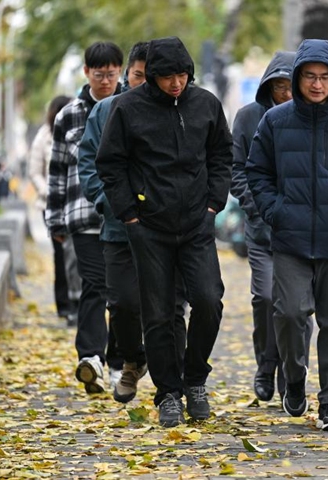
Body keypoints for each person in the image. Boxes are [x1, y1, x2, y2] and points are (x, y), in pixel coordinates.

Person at [96, 36, 232, 427]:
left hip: (197, 224)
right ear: (152, 76)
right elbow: (111, 164)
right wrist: (130, 216)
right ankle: (168, 393)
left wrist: (212, 205)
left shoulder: (206, 104)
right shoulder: (127, 108)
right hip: (148, 227)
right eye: (168, 76)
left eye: (182, 75)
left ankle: (194, 380)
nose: (176, 83)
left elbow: (222, 154)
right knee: (156, 315)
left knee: (209, 301)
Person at [246, 39, 328, 432]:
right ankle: (294, 379)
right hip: (291, 239)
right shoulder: (276, 121)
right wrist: (275, 211)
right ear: (297, 79)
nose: (317, 84)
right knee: (290, 313)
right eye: (310, 76)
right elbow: (256, 171)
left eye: (324, 76)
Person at [78, 41, 188, 404]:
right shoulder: (109, 110)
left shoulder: (179, 110)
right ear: (128, 75)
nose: (144, 83)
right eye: (138, 75)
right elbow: (91, 164)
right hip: (119, 228)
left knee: (170, 307)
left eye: (151, 76)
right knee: (123, 303)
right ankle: (133, 359)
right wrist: (111, 203)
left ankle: (173, 382)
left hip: (167, 230)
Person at [230, 51, 314, 404]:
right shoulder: (249, 118)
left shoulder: (311, 118)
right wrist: (259, 207)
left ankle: (291, 376)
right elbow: (237, 170)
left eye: (288, 86)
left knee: (297, 309)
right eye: (278, 86)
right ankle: (266, 363)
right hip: (263, 231)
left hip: (302, 234)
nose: (284, 93)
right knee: (266, 299)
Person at [45, 41, 125, 394]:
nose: (105, 81)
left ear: (119, 72)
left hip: (124, 217)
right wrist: (56, 219)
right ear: (86, 73)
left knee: (122, 293)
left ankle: (120, 360)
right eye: (99, 74)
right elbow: (58, 169)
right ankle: (91, 357)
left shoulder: (130, 108)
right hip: (83, 216)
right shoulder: (69, 115)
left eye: (111, 74)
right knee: (94, 285)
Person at [28, 95, 82, 326]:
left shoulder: (77, 131)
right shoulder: (43, 137)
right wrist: (47, 191)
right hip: (50, 203)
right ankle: (65, 304)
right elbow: (35, 171)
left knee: (77, 254)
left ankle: (79, 302)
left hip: (74, 202)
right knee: (60, 255)